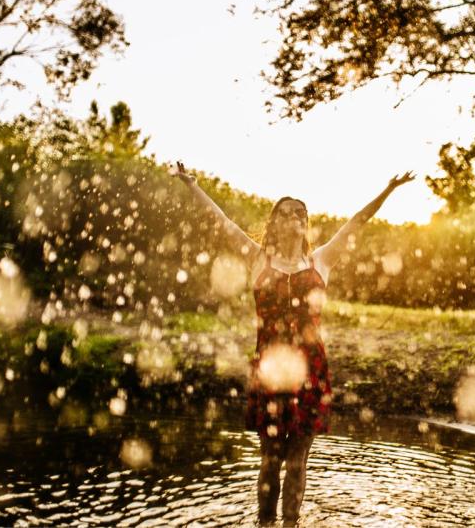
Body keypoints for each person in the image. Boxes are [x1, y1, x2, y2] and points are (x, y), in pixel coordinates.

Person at [174, 161, 414, 525]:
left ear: (305, 222)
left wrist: (388, 191)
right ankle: (264, 522)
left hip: (310, 370)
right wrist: (192, 186)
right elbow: (222, 222)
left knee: (298, 459)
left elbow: (356, 223)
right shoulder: (258, 258)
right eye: (285, 213)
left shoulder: (321, 260)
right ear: (274, 223)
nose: (293, 218)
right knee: (270, 458)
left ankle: (291, 524)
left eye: (300, 213)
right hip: (269, 371)